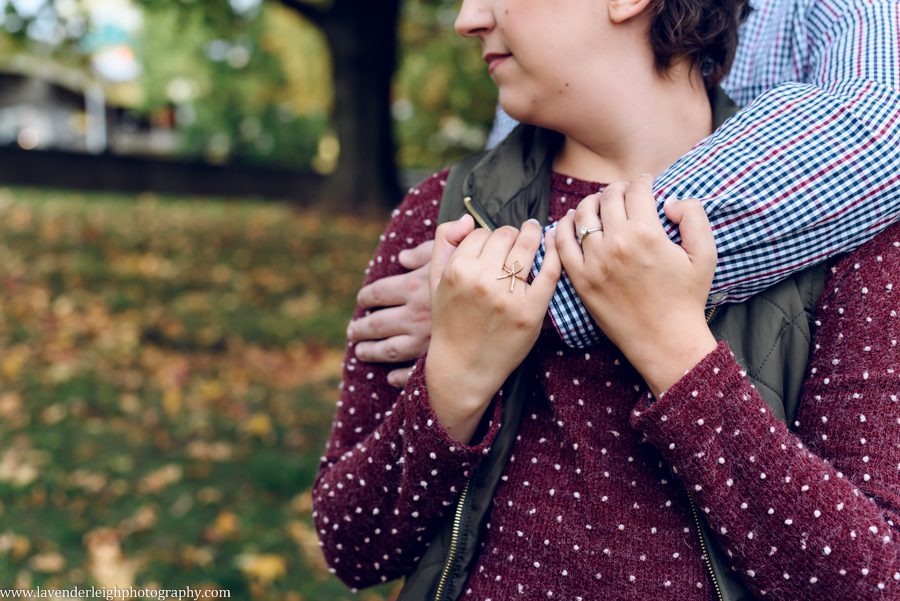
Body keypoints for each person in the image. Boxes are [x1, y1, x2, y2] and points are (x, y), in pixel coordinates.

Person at [313, 0, 899, 599]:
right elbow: (351, 547)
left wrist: (678, 354)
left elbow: (868, 582)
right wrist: (454, 385)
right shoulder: (443, 213)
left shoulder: (849, 236)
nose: (467, 19)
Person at [348, 0, 900, 384]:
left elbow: (883, 125)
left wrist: (515, 285)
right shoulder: (455, 196)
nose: (466, 21)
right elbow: (509, 193)